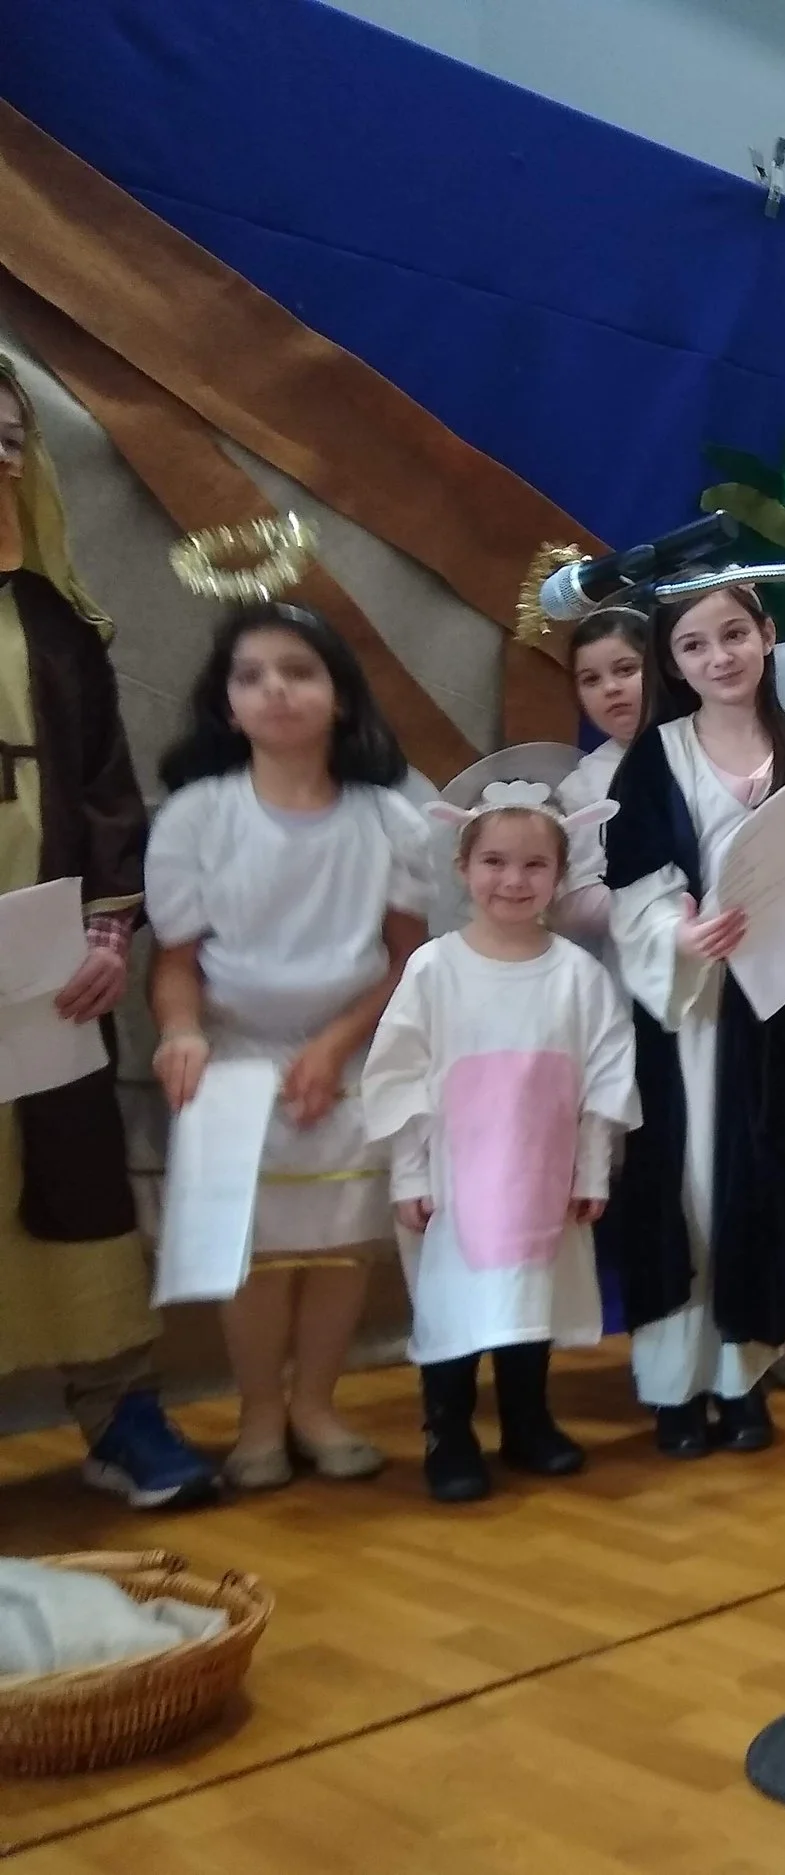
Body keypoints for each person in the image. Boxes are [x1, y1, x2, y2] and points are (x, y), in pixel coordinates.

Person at [148, 602, 433, 1491]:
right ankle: (259, 1415)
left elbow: (408, 958)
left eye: (299, 671)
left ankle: (316, 1403)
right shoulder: (196, 816)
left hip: (353, 1055)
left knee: (341, 1249)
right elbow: (175, 963)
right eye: (251, 676)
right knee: (258, 1257)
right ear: (227, 705)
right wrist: (181, 1031)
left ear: (340, 696)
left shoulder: (388, 819)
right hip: (236, 1059)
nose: (275, 689)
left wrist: (336, 1043)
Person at [0, 352, 217, 1508]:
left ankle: (118, 1412)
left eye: (8, 438)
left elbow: (105, 792)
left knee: (74, 1179)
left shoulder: (56, 625)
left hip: (47, 977)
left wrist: (102, 935)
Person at [601, 581, 785, 1456]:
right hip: (687, 1015)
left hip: (775, 1008)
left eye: (734, 634)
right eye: (695, 645)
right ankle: (674, 1387)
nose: (719, 657)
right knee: (682, 1190)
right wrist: (677, 934)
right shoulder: (655, 759)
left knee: (763, 1183)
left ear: (766, 635)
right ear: (673, 664)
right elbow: (631, 884)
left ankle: (743, 1374)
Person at [366, 781, 637, 1502]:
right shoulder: (434, 969)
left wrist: (592, 1170)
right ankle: (448, 1429)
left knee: (530, 1297)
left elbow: (605, 1079)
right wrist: (408, 1174)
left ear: (560, 874)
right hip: (456, 1185)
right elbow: (401, 1077)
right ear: (463, 868)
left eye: (533, 865)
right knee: (452, 1303)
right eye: (494, 861)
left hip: (543, 1179)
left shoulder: (577, 976)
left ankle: (527, 1419)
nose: (513, 880)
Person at [550, 603, 648, 955]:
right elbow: (572, 905)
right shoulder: (583, 787)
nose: (610, 688)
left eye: (626, 670)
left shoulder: (718, 742)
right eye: (590, 680)